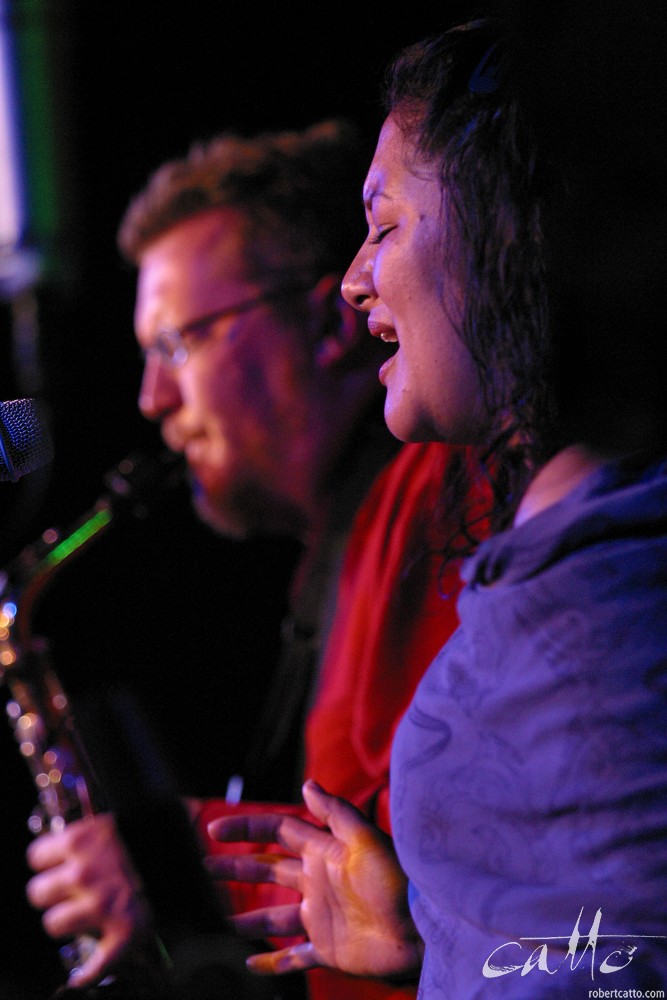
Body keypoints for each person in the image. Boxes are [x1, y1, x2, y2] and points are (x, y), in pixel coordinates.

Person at [206, 19, 667, 998]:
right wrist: (438, 941)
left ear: (512, 221)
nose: (354, 278)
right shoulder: (567, 563)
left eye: (385, 223)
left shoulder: (610, 608)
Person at [24, 120, 477, 999]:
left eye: (177, 344)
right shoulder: (344, 549)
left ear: (324, 322)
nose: (154, 400)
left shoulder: (440, 501)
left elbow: (467, 854)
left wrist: (176, 868)